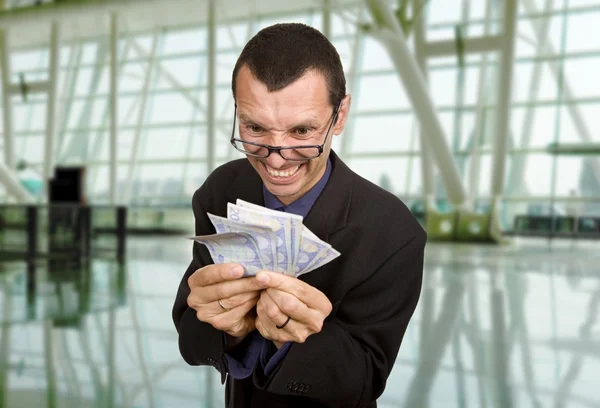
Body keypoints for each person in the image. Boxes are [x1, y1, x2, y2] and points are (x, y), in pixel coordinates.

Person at [172, 23, 426, 408]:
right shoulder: (220, 190)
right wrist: (230, 329)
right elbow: (191, 340)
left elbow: (366, 379)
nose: (276, 157)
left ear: (339, 117)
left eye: (302, 131)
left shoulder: (393, 233)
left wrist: (295, 339)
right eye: (254, 127)